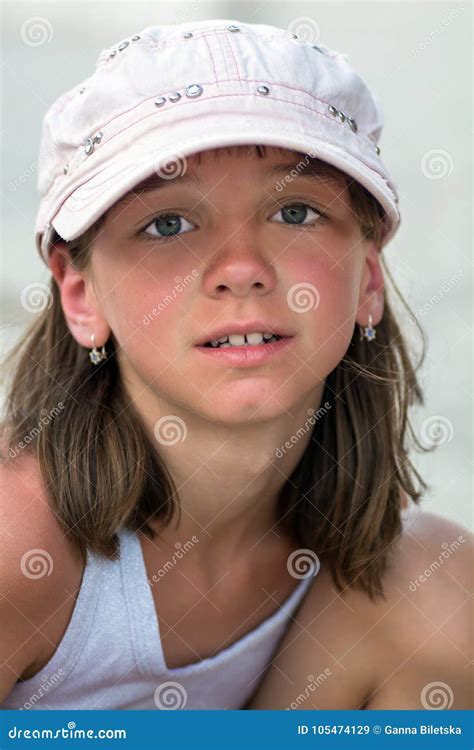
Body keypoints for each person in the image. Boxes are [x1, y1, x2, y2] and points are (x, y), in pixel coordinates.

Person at [0, 19, 471, 711]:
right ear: (80, 293)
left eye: (296, 211)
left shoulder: (365, 556)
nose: (243, 269)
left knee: (439, 582)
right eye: (168, 224)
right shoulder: (18, 545)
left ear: (368, 278)